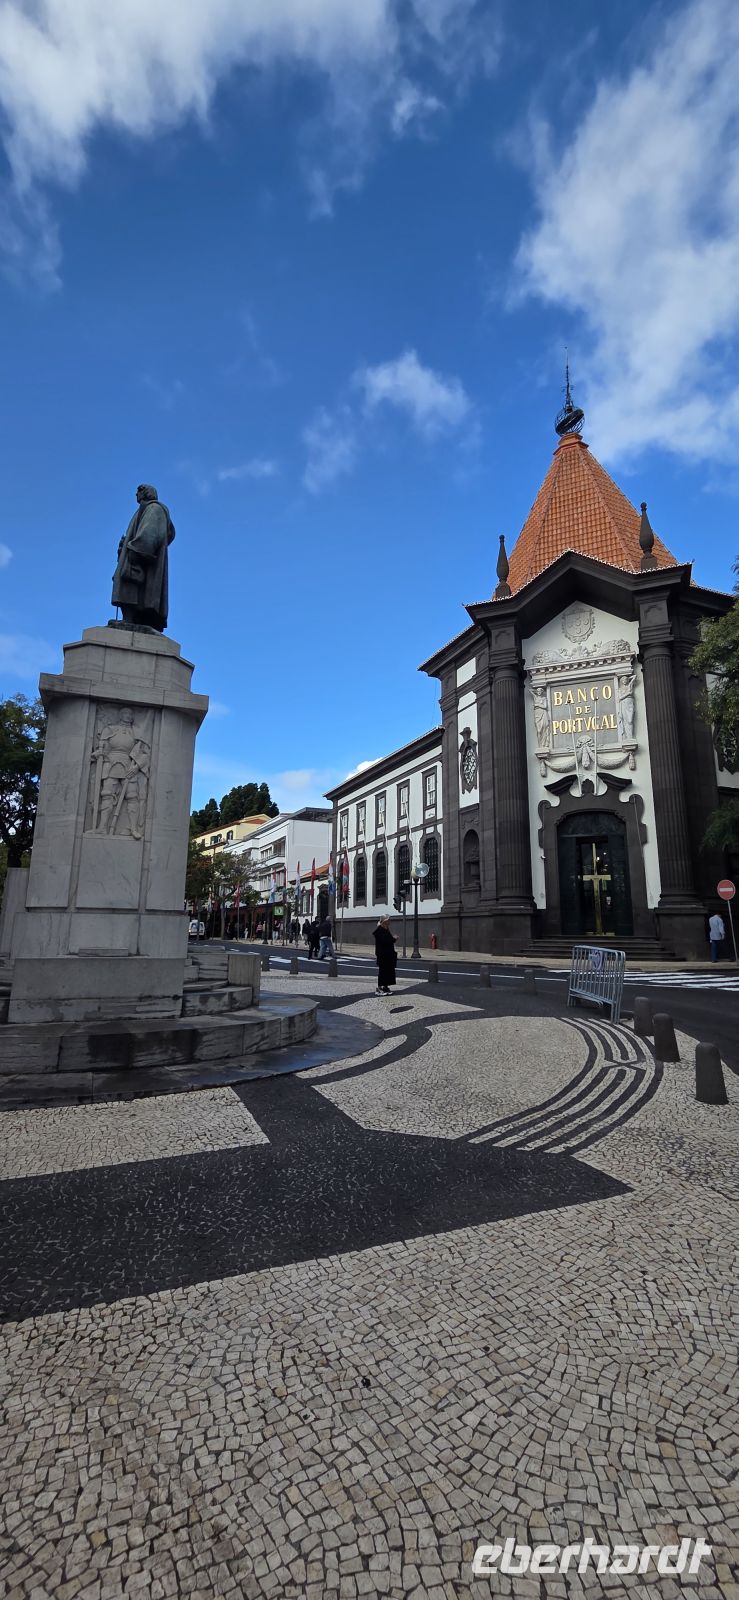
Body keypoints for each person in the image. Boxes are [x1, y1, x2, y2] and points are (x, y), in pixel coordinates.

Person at [112, 484, 175, 632]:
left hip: (140, 558)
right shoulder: (143, 509)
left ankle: (133, 619)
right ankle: (130, 619)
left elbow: (150, 533)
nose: (136, 495)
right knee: (129, 587)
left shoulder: (154, 509)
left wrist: (135, 549)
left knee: (132, 586)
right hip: (135, 554)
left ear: (146, 493)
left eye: (138, 492)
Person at [373, 916, 397, 995]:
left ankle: (385, 987)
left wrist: (393, 939)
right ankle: (379, 988)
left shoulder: (386, 929)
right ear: (384, 921)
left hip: (388, 954)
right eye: (388, 920)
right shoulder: (380, 930)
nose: (389, 922)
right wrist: (394, 939)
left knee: (388, 971)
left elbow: (388, 940)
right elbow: (385, 941)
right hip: (382, 954)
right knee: (383, 971)